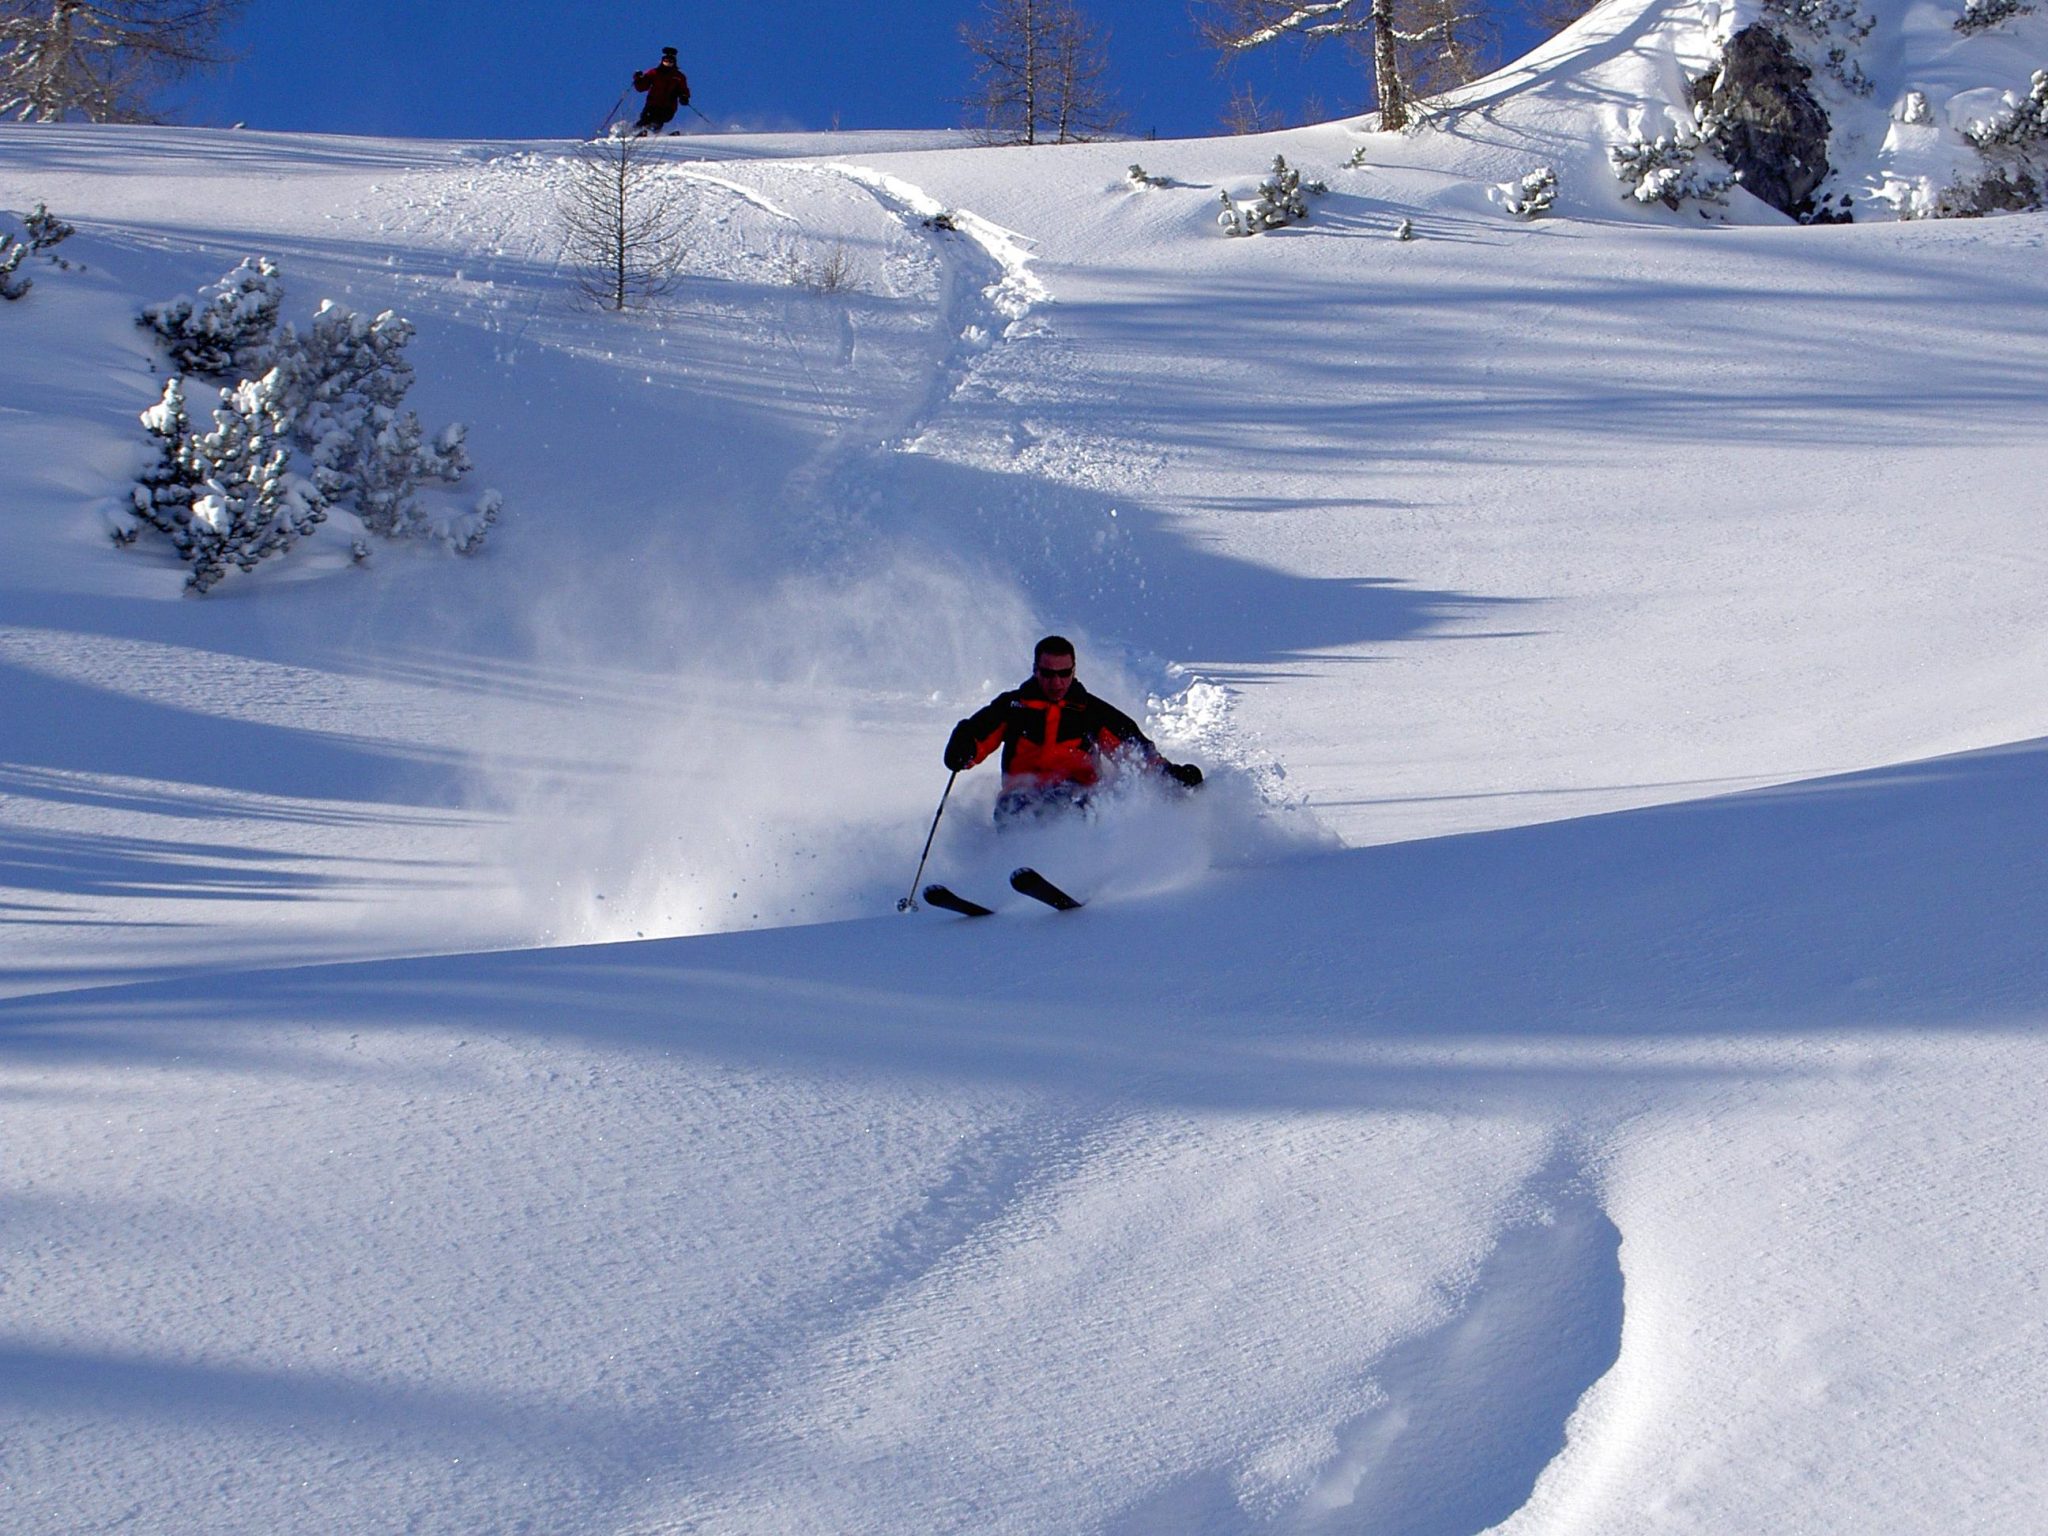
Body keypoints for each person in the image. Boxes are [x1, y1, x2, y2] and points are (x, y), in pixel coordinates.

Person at [944, 635, 1202, 823]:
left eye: (1064, 673)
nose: (1056, 681)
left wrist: (1170, 775)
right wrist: (963, 747)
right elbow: (978, 735)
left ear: (1073, 671)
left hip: (1077, 792)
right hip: (1023, 794)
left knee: (1069, 808)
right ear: (1035, 671)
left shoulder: (1091, 712)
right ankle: (1016, 873)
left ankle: (1076, 873)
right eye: (1047, 673)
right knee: (1014, 810)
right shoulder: (1013, 708)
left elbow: (1133, 752)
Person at [631, 46, 691, 136]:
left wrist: (684, 97)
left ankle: (652, 134)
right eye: (666, 61)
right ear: (662, 61)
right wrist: (638, 79)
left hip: (668, 106)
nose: (668, 63)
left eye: (671, 61)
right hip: (652, 104)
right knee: (645, 119)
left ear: (674, 62)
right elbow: (641, 87)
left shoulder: (679, 77)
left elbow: (684, 89)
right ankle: (631, 133)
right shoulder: (654, 73)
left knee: (658, 120)